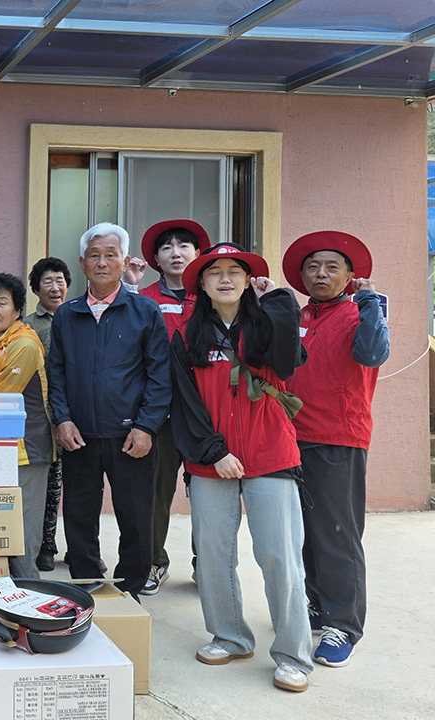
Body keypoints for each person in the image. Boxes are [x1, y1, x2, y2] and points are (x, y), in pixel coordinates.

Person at [170, 242, 311, 693]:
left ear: (249, 280)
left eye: (235, 270)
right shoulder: (186, 336)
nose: (226, 278)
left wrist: (280, 301)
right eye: (215, 272)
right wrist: (214, 452)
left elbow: (288, 364)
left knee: (279, 556)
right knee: (214, 554)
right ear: (202, 283)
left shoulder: (267, 323)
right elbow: (184, 403)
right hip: (211, 460)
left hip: (270, 453)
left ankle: (293, 655)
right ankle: (230, 637)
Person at [282, 231, 389, 668]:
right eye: (312, 267)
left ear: (349, 276)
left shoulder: (361, 311)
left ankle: (343, 625)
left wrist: (370, 302)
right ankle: (318, 607)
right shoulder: (300, 315)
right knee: (304, 533)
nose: (320, 274)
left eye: (331, 267)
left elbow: (373, 355)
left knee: (337, 535)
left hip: (338, 439)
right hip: (291, 439)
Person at [47, 222, 170, 598]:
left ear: (125, 261)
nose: (102, 262)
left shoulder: (145, 311)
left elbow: (159, 376)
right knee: (79, 516)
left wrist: (146, 427)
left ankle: (130, 589)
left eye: (110, 255)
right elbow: (56, 373)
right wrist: (63, 419)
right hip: (79, 435)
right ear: (82, 262)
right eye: (94, 256)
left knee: (136, 517)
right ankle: (86, 583)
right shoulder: (67, 314)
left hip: (130, 435)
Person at [128, 220, 210, 595]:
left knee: (209, 495)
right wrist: (129, 288)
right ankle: (152, 562)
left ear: (197, 254)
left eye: (184, 246)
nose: (176, 253)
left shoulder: (212, 297)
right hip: (158, 414)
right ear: (156, 260)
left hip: (206, 413)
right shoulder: (143, 299)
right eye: (167, 248)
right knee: (155, 493)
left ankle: (207, 565)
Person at [0, 273, 55, 580]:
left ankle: (31, 596)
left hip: (25, 449)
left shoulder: (23, 344)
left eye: (2, 303)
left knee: (22, 533)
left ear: (18, 310)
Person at [22, 256, 71, 572]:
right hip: (44, 416)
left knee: (74, 486)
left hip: (77, 414)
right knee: (48, 486)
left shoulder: (78, 317)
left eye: (59, 281)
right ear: (36, 289)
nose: (55, 288)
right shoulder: (28, 326)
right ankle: (44, 546)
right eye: (47, 282)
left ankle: (76, 549)